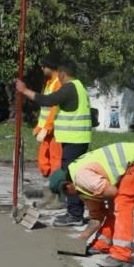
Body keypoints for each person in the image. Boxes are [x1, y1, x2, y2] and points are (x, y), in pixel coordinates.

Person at [15, 58, 94, 225]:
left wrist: (24, 91)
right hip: (78, 140)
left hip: (74, 140)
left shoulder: (69, 88)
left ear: (63, 74)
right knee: (73, 176)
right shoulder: (80, 87)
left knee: (69, 178)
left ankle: (74, 215)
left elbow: (47, 100)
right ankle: (76, 211)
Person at [48, 141, 134, 267]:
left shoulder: (83, 178)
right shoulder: (81, 189)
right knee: (113, 208)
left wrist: (108, 204)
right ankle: (102, 245)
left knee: (121, 205)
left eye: (65, 192)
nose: (68, 196)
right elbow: (96, 217)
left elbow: (112, 192)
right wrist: (80, 240)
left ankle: (121, 255)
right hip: (125, 165)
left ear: (68, 184)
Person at [21, 53, 63, 195]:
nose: (42, 68)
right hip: (45, 130)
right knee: (43, 162)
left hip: (55, 132)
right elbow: (44, 108)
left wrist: (48, 128)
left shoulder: (58, 83)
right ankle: (50, 187)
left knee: (55, 161)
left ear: (50, 66)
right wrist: (40, 126)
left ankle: (56, 192)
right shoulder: (48, 83)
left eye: (44, 66)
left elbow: (54, 108)